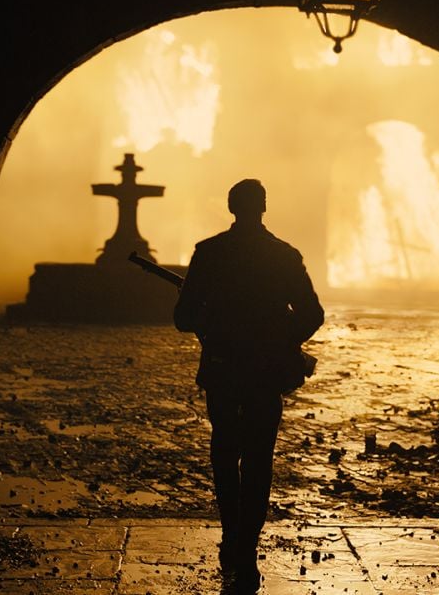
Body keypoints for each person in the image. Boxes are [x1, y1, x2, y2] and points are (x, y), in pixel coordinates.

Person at [174, 179, 324, 593]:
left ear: (231, 207)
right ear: (263, 207)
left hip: (223, 369)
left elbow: (183, 318)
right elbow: (312, 313)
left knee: (225, 454)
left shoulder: (209, 253)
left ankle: (231, 537)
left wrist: (211, 320)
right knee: (259, 459)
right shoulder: (284, 255)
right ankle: (247, 546)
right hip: (265, 371)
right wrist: (281, 340)